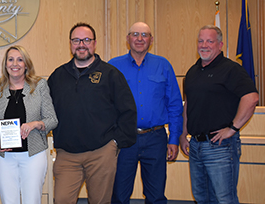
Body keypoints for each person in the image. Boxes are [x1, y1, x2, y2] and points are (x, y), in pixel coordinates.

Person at [47, 22, 137, 204]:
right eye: (76, 40)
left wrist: (115, 143)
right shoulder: (57, 76)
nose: (81, 44)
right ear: (70, 44)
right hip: (67, 155)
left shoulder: (110, 74)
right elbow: (46, 110)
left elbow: (128, 111)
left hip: (101, 153)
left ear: (94, 44)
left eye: (86, 40)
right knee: (62, 200)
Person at [180, 25, 258, 203]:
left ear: (220, 44)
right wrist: (184, 134)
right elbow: (188, 105)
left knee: (224, 199)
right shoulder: (192, 72)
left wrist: (232, 128)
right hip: (196, 146)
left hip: (221, 146)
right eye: (201, 41)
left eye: (210, 41)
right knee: (202, 198)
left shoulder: (231, 69)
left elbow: (252, 97)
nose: (204, 45)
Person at [109, 22, 183, 204]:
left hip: (156, 138)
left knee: (156, 195)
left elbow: (174, 105)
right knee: (119, 195)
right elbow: (105, 105)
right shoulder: (113, 66)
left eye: (144, 35)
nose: (140, 39)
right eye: (135, 34)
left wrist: (174, 139)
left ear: (151, 40)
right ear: (128, 39)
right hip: (124, 139)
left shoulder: (163, 65)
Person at [0, 45, 58, 204]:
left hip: (33, 155)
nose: (15, 64)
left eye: (20, 59)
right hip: (4, 157)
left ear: (26, 64)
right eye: (10, 59)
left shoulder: (39, 86)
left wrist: (35, 124)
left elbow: (52, 119)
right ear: (5, 64)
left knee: (32, 200)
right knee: (8, 201)